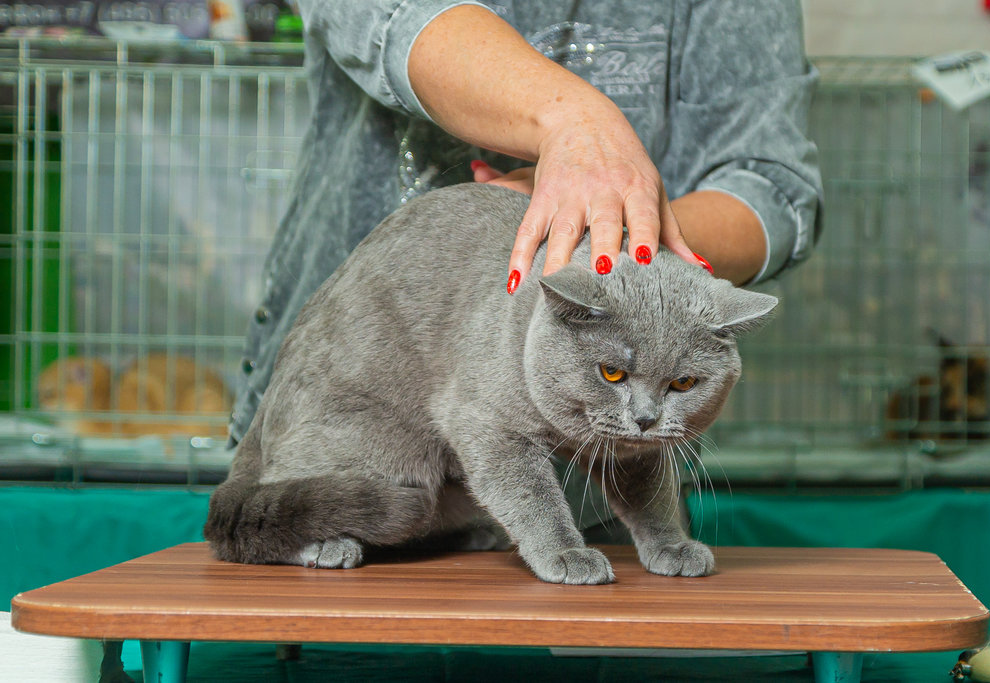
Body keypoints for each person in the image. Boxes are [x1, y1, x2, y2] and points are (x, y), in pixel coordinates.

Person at [226, 0, 823, 536]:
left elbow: (771, 185)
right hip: (344, 432)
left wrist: (597, 228)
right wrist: (576, 123)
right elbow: (388, 16)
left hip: (589, 485)